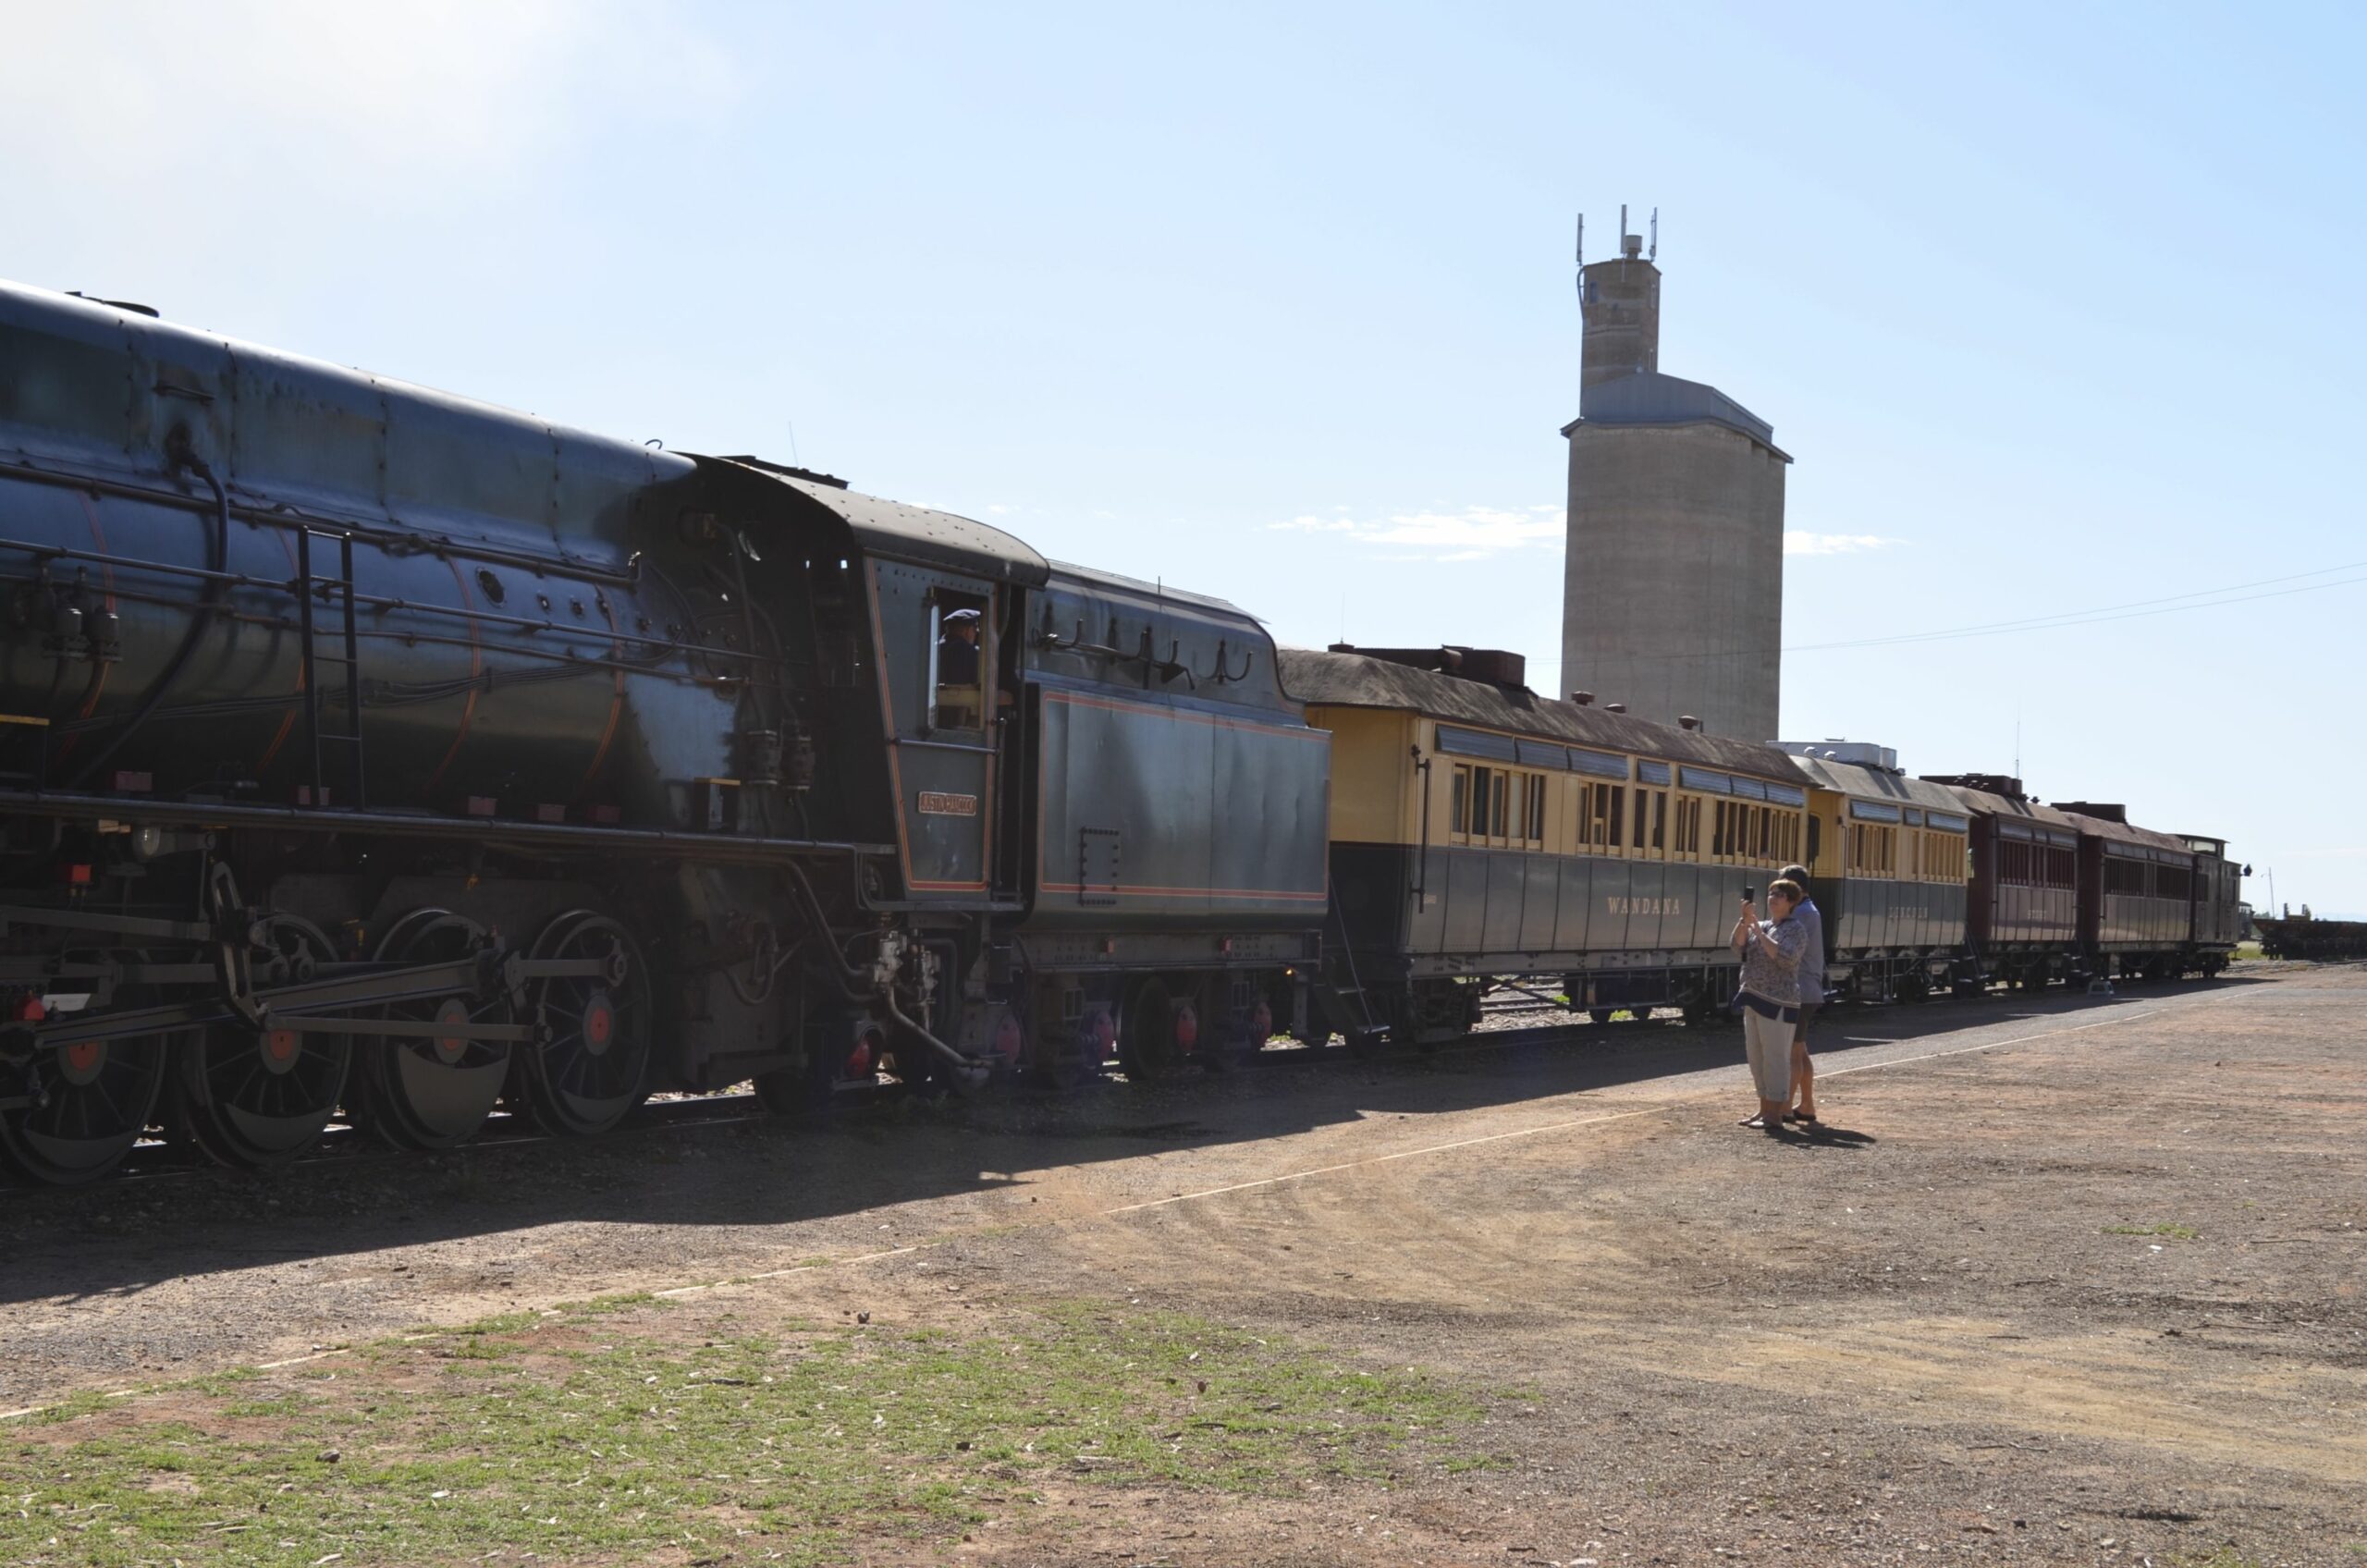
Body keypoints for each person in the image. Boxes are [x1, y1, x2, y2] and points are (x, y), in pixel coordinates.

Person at [1731, 877, 1809, 1133]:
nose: (1773, 898)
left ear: (1791, 902)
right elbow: (1737, 947)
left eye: (1781, 895)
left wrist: (1758, 931)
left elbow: (1785, 958)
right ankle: (1764, 1108)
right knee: (1757, 1058)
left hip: (1778, 1002)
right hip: (1753, 998)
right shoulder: (1759, 924)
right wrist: (1745, 921)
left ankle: (1775, 1114)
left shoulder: (1795, 929)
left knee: (1775, 1058)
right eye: (1772, 893)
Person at [1779, 863, 1825, 1125]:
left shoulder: (1804, 914)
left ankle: (1785, 1107)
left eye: (1782, 890)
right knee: (1801, 1049)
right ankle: (1806, 1104)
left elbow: (1787, 950)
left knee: (1793, 1053)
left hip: (1800, 989)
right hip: (1808, 989)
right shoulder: (1809, 911)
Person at [937, 606, 982, 686]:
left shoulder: (934, 648)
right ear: (968, 630)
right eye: (975, 631)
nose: (975, 635)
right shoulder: (970, 652)